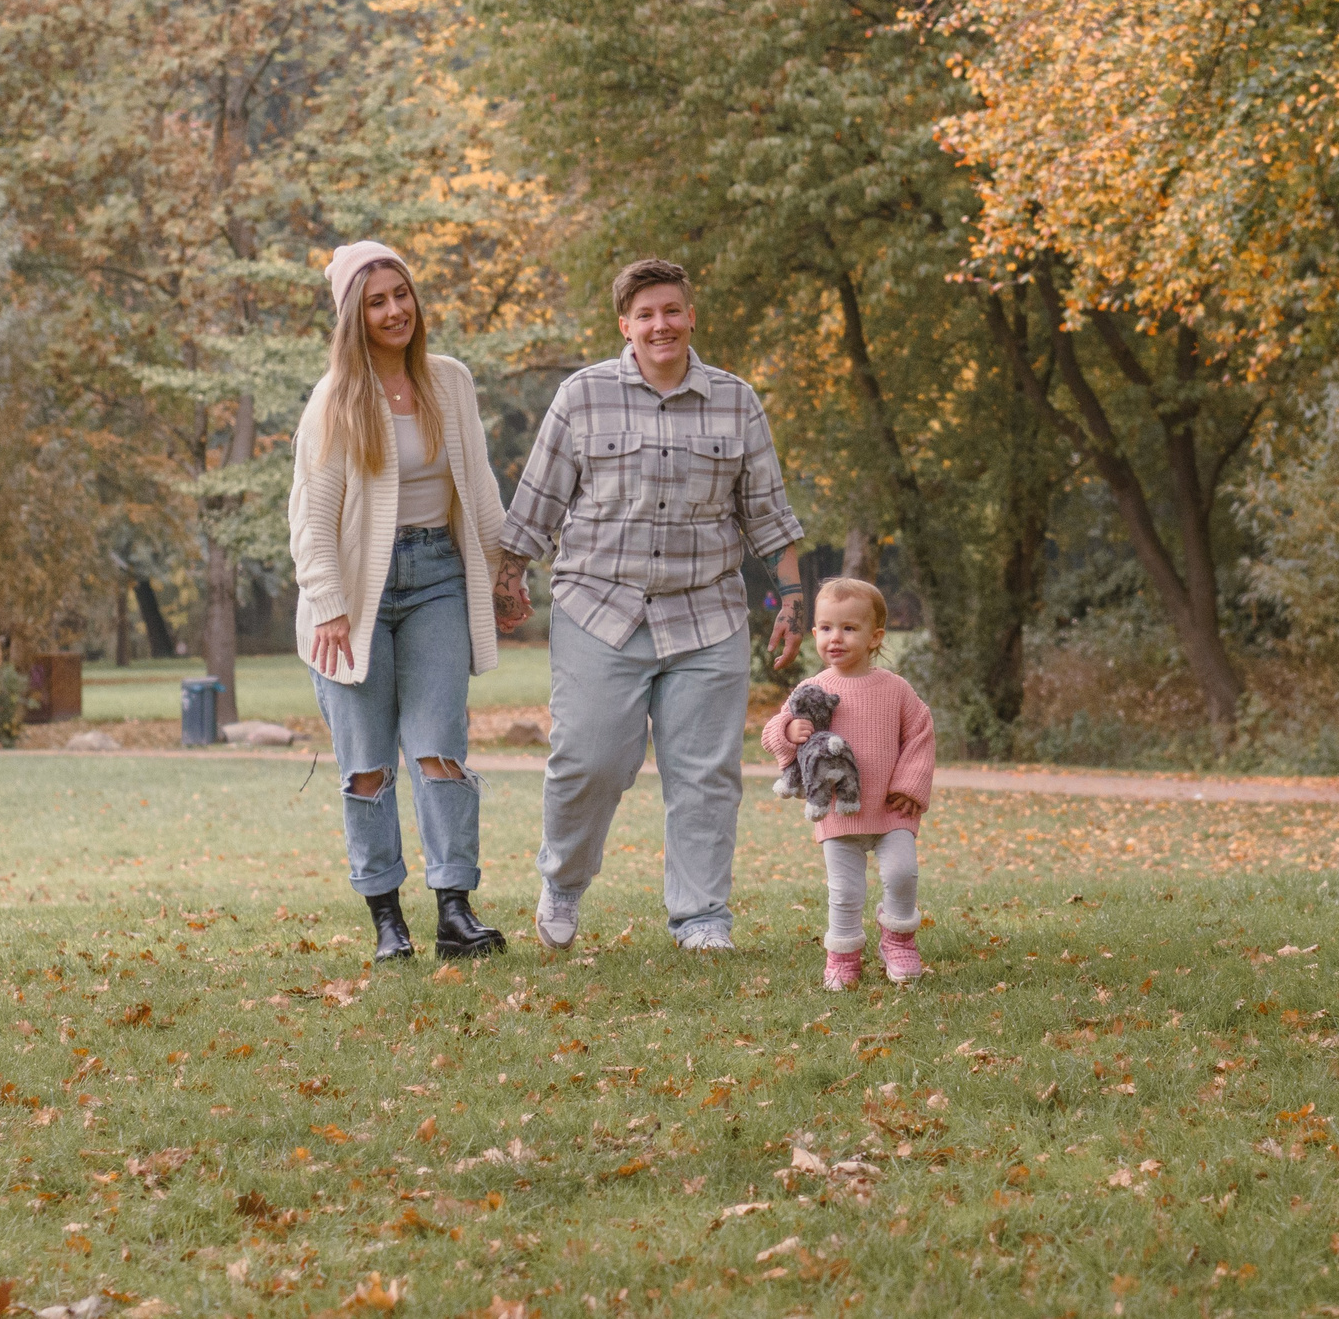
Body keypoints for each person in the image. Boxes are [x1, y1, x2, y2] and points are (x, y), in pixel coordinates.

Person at [496, 258, 807, 953]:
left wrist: (790, 599)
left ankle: (700, 915)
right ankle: (564, 882)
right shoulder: (582, 397)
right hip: (599, 607)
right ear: (625, 326)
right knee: (592, 758)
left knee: (705, 773)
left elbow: (768, 516)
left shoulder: (736, 401)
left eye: (671, 310)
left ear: (691, 316)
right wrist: (508, 577)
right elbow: (535, 504)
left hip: (706, 614)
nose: (660, 324)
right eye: (645, 314)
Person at [288, 241, 529, 963]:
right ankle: (386, 918)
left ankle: (455, 908)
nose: (395, 310)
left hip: (435, 580)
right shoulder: (334, 399)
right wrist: (329, 602)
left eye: (402, 294)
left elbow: (480, 488)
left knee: (439, 751)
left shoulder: (449, 382)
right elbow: (311, 516)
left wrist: (504, 573)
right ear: (352, 317)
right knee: (366, 765)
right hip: (355, 594)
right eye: (376, 301)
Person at [760, 578, 935, 989]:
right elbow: (772, 731)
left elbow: (921, 733)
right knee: (844, 890)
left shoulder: (895, 690)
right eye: (824, 628)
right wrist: (790, 729)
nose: (834, 638)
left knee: (902, 873)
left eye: (848, 628)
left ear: (875, 637)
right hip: (838, 807)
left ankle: (898, 941)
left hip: (891, 807)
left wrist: (910, 785)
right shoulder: (811, 690)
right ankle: (842, 957)